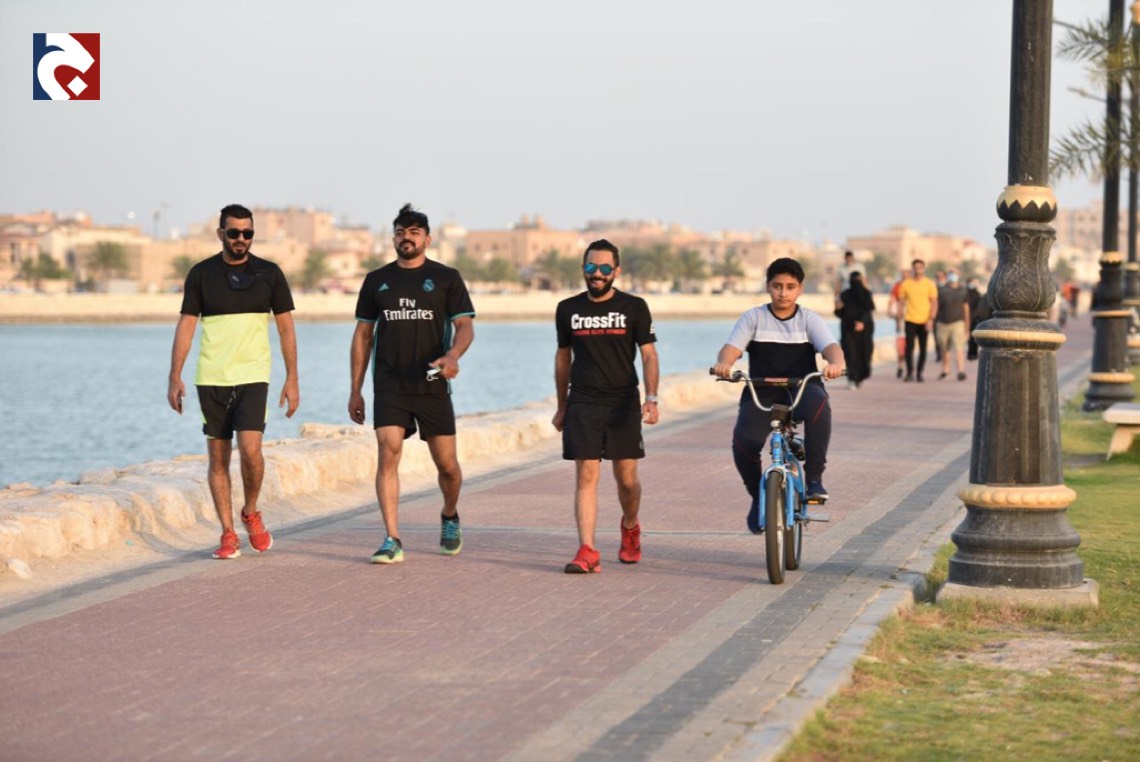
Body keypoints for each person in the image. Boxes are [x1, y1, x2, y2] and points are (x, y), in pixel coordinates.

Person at [167, 203, 300, 559]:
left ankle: (250, 511)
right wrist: (175, 375)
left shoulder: (269, 273)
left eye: (248, 233)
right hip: (212, 377)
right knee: (218, 458)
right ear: (221, 234)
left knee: (252, 451)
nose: (241, 239)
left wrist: (292, 377)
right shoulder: (201, 274)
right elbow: (186, 326)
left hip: (254, 375)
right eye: (234, 233)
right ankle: (228, 533)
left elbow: (286, 329)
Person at [349, 204, 475, 564]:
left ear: (427, 239)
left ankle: (449, 515)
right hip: (390, 384)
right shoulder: (376, 280)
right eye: (401, 232)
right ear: (393, 238)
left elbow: (465, 326)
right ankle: (392, 538)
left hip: (432, 383)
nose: (407, 238)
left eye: (414, 232)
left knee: (447, 466)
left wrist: (453, 356)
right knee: (388, 451)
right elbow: (362, 336)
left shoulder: (446, 277)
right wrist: (355, 390)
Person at [713, 258, 845, 533]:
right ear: (768, 286)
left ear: (800, 289)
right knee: (743, 443)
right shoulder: (753, 317)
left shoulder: (808, 318)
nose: (783, 293)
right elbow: (731, 348)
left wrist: (835, 363)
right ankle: (758, 498)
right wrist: (725, 364)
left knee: (820, 406)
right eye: (777, 286)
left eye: (790, 287)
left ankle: (814, 480)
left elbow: (831, 347)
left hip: (801, 388)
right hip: (762, 391)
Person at [554, 239, 659, 574]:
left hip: (622, 402)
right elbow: (563, 358)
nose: (596, 274)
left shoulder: (635, 307)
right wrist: (561, 405)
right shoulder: (567, 309)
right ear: (583, 268)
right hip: (583, 401)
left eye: (603, 268)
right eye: (590, 267)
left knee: (626, 479)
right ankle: (587, 549)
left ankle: (630, 525)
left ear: (616, 271)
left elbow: (648, 354)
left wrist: (651, 398)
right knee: (586, 474)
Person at [896, 259, 939, 382]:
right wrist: (899, 320)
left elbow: (934, 303)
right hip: (910, 320)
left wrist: (931, 319)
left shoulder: (929, 284)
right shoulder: (906, 284)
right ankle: (909, 372)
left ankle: (920, 373)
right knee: (909, 347)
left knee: (923, 348)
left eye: (920, 267)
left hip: (924, 320)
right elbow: (901, 303)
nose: (917, 270)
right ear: (912, 269)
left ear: (924, 268)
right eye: (915, 267)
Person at [837, 271, 876, 389]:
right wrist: (837, 307)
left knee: (863, 353)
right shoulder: (845, 295)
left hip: (863, 330)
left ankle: (858, 377)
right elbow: (840, 313)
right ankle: (852, 378)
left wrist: (862, 322)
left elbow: (868, 309)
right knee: (850, 353)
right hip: (849, 329)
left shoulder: (866, 294)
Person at [936, 269, 971, 381]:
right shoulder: (941, 290)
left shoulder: (963, 291)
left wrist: (967, 328)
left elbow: (966, 309)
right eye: (951, 273)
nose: (953, 276)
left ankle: (961, 371)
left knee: (959, 348)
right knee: (944, 349)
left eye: (955, 274)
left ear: (959, 275)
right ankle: (946, 370)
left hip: (958, 323)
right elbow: (935, 306)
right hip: (942, 323)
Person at [887, 269, 908, 379]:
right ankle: (900, 366)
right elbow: (892, 299)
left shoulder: (914, 286)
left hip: (914, 319)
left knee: (909, 345)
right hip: (900, 319)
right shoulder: (897, 286)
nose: (905, 277)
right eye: (903, 275)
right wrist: (890, 310)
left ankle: (909, 367)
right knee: (900, 343)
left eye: (907, 275)